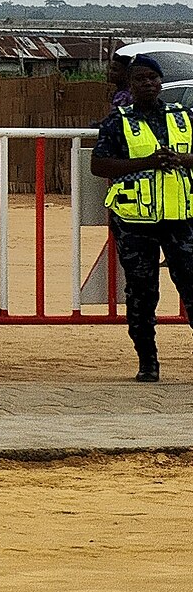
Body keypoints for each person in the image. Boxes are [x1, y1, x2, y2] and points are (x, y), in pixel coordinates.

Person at [90, 53, 193, 381]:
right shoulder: (117, 122)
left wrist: (181, 159)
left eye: (153, 78)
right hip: (135, 222)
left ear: (161, 82)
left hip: (181, 219)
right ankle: (147, 361)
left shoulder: (184, 117)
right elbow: (100, 165)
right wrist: (146, 162)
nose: (148, 84)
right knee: (142, 291)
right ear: (130, 85)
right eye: (140, 79)